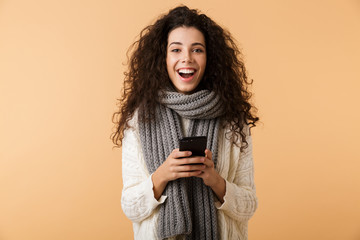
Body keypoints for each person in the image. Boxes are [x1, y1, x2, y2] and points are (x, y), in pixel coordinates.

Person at [112, 5, 259, 240]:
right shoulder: (140, 119)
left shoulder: (232, 119)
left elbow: (249, 206)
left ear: (209, 58)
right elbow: (130, 207)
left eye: (197, 50)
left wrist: (216, 182)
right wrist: (162, 175)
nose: (186, 58)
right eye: (176, 49)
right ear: (164, 57)